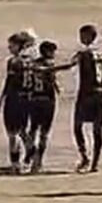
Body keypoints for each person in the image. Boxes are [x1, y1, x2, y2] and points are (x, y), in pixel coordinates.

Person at [27, 41, 74, 173]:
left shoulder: (33, 63)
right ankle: (38, 160)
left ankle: (31, 152)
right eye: (52, 51)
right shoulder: (50, 64)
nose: (54, 54)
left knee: (32, 129)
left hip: (34, 98)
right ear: (47, 52)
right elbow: (51, 77)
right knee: (44, 133)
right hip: (47, 100)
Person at [0, 32, 34, 173]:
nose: (9, 47)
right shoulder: (31, 60)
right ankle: (31, 154)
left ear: (19, 45)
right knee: (23, 130)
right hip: (27, 99)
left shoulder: (13, 62)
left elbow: (9, 83)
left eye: (11, 45)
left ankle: (15, 163)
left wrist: (1, 99)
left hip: (14, 100)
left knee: (13, 134)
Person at [72, 24, 102, 173]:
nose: (80, 38)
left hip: (86, 94)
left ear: (88, 36)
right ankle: (95, 163)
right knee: (97, 129)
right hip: (100, 93)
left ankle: (85, 156)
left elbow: (70, 64)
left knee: (77, 126)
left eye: (82, 36)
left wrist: (46, 70)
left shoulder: (83, 54)